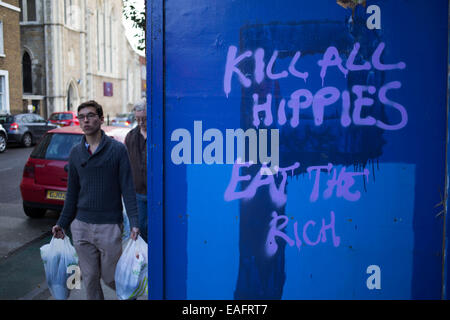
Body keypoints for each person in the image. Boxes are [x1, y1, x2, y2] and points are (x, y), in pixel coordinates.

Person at [52, 100, 140, 300]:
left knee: (111, 277)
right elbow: (72, 192)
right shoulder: (75, 153)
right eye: (82, 117)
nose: (86, 120)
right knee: (90, 278)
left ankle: (130, 296)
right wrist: (62, 223)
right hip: (81, 225)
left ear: (101, 119)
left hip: (109, 226)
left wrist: (134, 222)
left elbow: (128, 188)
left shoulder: (117, 150)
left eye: (91, 115)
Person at [124, 100, 148, 243]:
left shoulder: (159, 134)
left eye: (144, 119)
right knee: (140, 228)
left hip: (156, 193)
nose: (140, 122)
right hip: (137, 192)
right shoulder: (131, 136)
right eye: (138, 119)